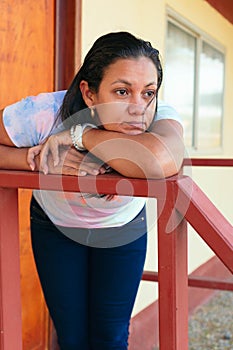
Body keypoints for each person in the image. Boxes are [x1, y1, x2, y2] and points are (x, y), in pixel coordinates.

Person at [0, 31, 184, 350]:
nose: (138, 108)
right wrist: (42, 160)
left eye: (148, 92)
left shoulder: (160, 115)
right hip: (55, 226)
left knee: (110, 337)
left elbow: (160, 160)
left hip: (121, 227)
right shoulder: (44, 112)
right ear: (89, 93)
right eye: (122, 91)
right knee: (71, 337)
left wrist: (81, 136)